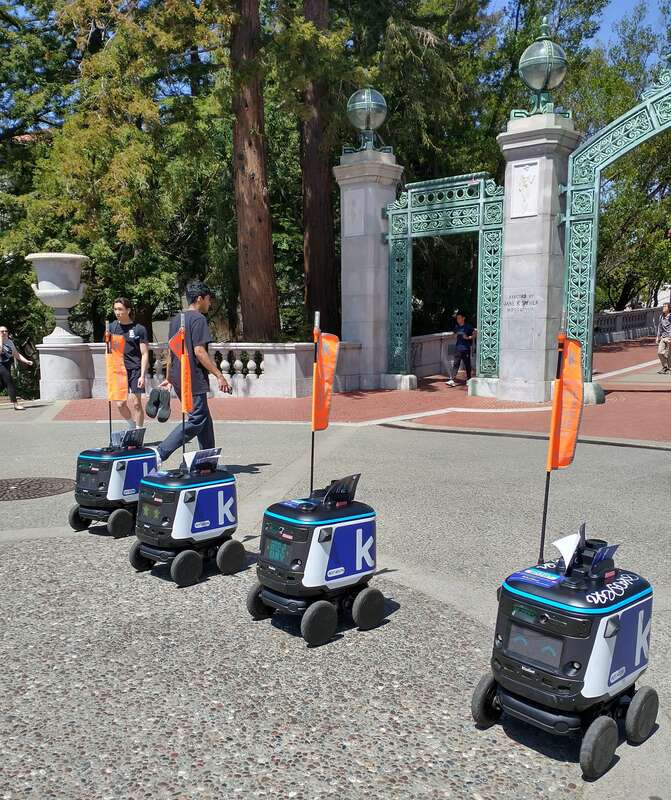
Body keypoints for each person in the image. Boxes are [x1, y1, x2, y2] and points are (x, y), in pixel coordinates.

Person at [156, 281, 231, 464]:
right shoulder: (199, 319)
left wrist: (169, 378)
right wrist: (219, 375)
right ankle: (160, 453)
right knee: (197, 419)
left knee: (204, 419)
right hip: (193, 378)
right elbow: (199, 351)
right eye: (208, 299)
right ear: (199, 298)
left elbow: (171, 351)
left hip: (179, 377)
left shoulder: (175, 320)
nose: (209, 303)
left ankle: (208, 460)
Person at [109, 297, 149, 429]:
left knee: (136, 403)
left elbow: (144, 354)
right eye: (115, 309)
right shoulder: (111, 327)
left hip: (135, 370)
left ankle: (138, 432)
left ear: (128, 310)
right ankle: (132, 426)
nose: (117, 312)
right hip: (119, 370)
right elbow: (109, 351)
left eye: (120, 309)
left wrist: (142, 375)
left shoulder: (139, 329)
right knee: (120, 404)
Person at [0, 326, 34, 411]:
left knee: (3, 384)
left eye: (5, 331)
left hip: (7, 364)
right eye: (1, 331)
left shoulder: (10, 342)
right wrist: (0, 340)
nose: (4, 333)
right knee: (9, 381)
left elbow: (16, 354)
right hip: (0, 364)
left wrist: (26, 361)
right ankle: (16, 404)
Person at [446, 311, 475, 387]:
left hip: (466, 348)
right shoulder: (457, 327)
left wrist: (468, 337)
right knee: (456, 364)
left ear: (463, 318)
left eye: (459, 318)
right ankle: (452, 379)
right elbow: (453, 335)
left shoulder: (468, 326)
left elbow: (475, 334)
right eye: (457, 318)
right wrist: (455, 334)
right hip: (458, 348)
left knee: (467, 365)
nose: (458, 320)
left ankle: (469, 379)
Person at [657, 302, 671, 374]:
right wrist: (657, 337)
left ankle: (667, 368)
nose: (663, 308)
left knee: (668, 354)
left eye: (665, 307)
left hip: (669, 337)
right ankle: (665, 367)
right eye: (663, 306)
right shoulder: (661, 316)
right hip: (663, 337)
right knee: (660, 352)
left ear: (669, 308)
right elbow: (659, 327)